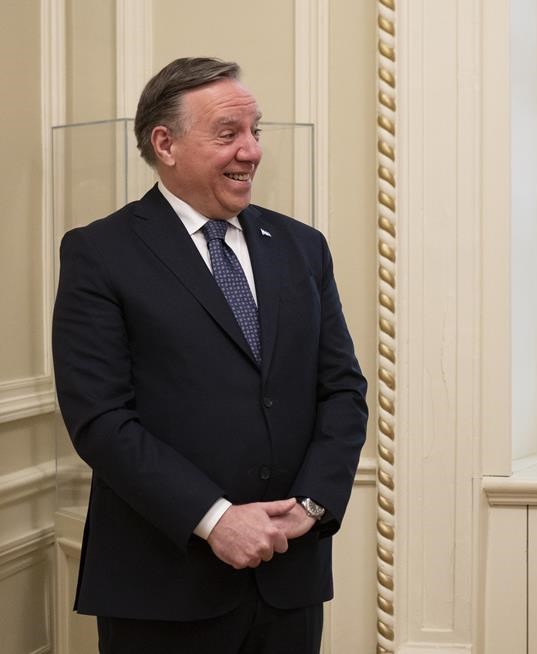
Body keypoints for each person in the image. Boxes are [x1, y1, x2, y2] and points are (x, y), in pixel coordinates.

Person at [52, 57, 368, 653]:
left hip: (288, 579)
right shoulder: (100, 253)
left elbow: (343, 389)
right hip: (162, 585)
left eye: (255, 132)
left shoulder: (303, 247)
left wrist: (312, 504)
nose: (250, 151)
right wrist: (215, 517)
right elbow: (100, 419)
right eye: (228, 134)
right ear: (164, 143)